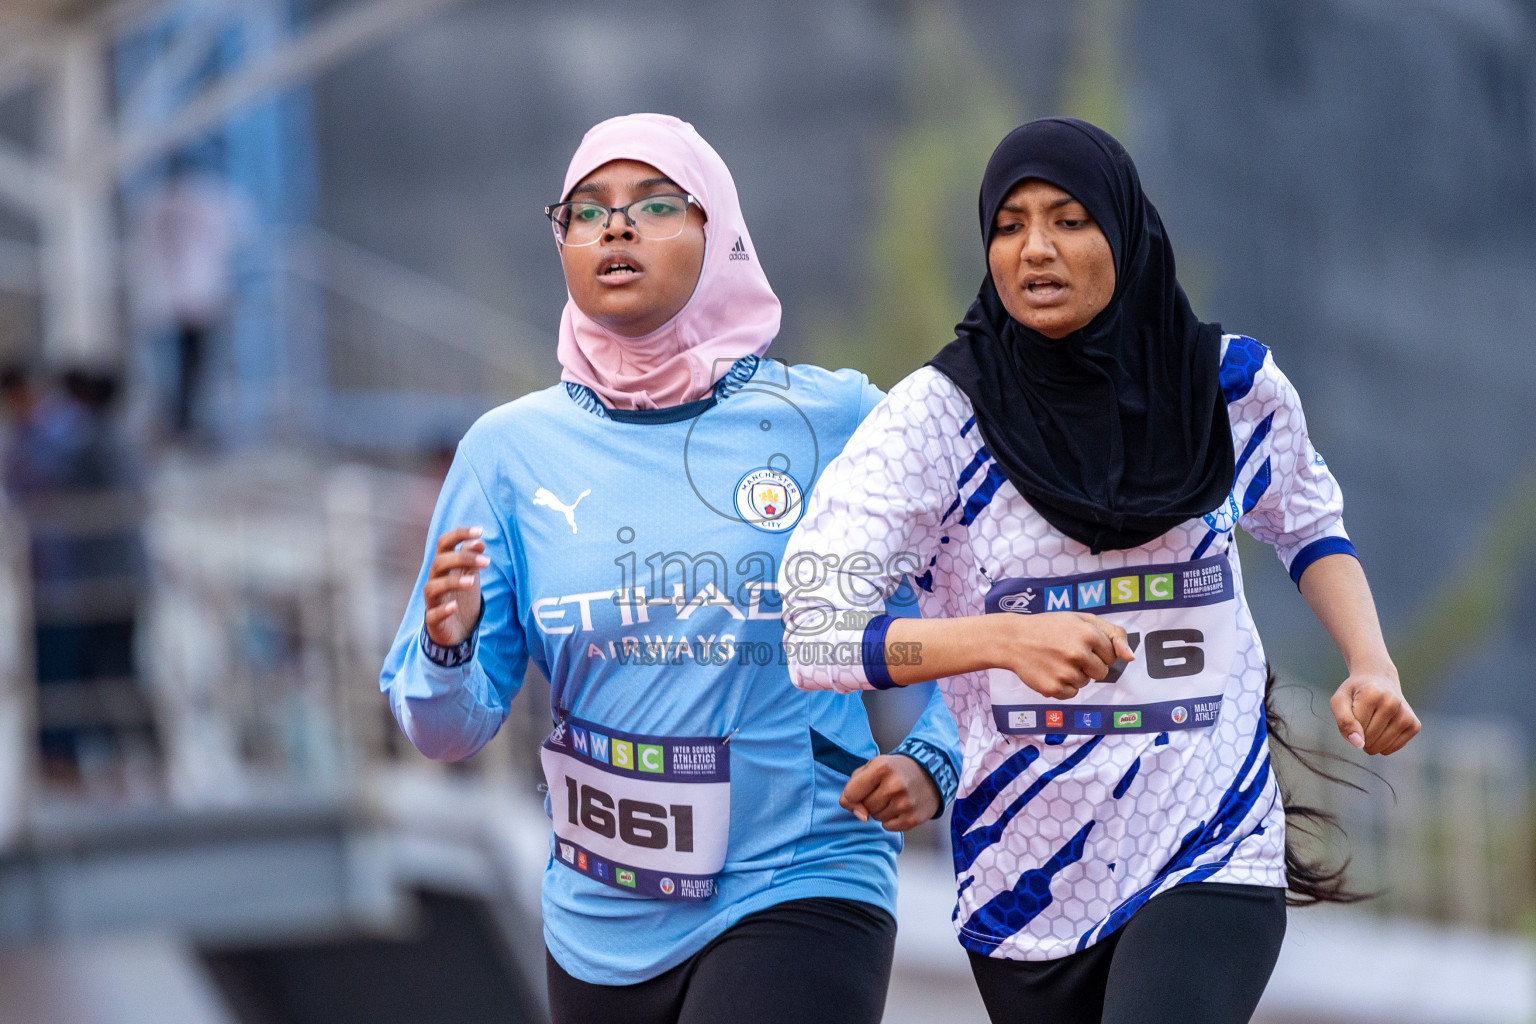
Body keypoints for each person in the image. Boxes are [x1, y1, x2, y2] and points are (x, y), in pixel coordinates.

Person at [779, 117, 1420, 1024]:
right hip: (1028, 877)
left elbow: (1309, 520)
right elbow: (813, 631)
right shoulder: (935, 419)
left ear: (1124, 232)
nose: (1036, 248)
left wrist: (1371, 662)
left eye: (1070, 219)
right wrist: (1001, 642)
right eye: (1009, 225)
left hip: (1208, 840)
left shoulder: (1231, 387)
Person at [379, 113, 960, 1024]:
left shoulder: (834, 419)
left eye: (653, 204)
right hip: (599, 910)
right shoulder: (506, 455)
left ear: (717, 230)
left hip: (801, 877)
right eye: (586, 211)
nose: (615, 228)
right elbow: (445, 734)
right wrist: (446, 651)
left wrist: (936, 753)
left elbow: (993, 585)